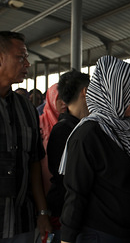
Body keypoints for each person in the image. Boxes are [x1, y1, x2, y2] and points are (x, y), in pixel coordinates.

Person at [59, 56, 130, 243]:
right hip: (100, 234)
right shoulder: (88, 134)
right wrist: (67, 238)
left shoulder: (128, 127)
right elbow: (76, 193)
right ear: (116, 94)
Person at [0, 31, 52, 241]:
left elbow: (34, 163)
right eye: (20, 57)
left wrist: (42, 212)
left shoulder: (26, 108)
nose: (27, 64)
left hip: (22, 221)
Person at [45, 69, 90, 243]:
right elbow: (65, 177)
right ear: (85, 92)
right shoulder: (65, 130)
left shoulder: (78, 126)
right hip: (66, 213)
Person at [40, 83, 67, 195]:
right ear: (51, 99)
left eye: (66, 98)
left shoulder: (71, 125)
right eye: (59, 98)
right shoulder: (40, 123)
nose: (64, 102)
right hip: (42, 181)